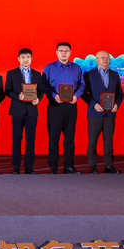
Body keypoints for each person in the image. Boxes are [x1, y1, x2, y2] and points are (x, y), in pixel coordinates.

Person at [43, 42, 83, 174]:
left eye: (66, 50)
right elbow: (44, 85)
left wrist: (76, 95)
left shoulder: (76, 68)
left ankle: (69, 166)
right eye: (61, 50)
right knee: (54, 137)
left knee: (70, 137)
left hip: (71, 105)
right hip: (55, 105)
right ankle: (53, 166)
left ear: (70, 52)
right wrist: (54, 95)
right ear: (56, 52)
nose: (64, 53)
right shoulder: (49, 67)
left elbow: (82, 85)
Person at [81, 50, 123, 174]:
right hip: (95, 112)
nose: (105, 60)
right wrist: (94, 104)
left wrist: (117, 104)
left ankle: (109, 165)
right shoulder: (88, 74)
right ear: (96, 60)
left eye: (108, 58)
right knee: (92, 141)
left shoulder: (115, 74)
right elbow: (84, 93)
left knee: (109, 141)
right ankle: (92, 166)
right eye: (102, 57)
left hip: (110, 113)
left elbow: (119, 93)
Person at [4, 48, 43, 174]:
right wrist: (17, 96)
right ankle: (16, 166)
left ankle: (29, 167)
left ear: (31, 59)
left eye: (28, 57)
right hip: (17, 110)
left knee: (30, 140)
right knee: (16, 139)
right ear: (18, 59)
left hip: (32, 110)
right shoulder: (12, 73)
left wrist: (38, 99)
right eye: (23, 57)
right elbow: (7, 91)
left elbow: (41, 91)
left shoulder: (37, 74)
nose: (26, 60)